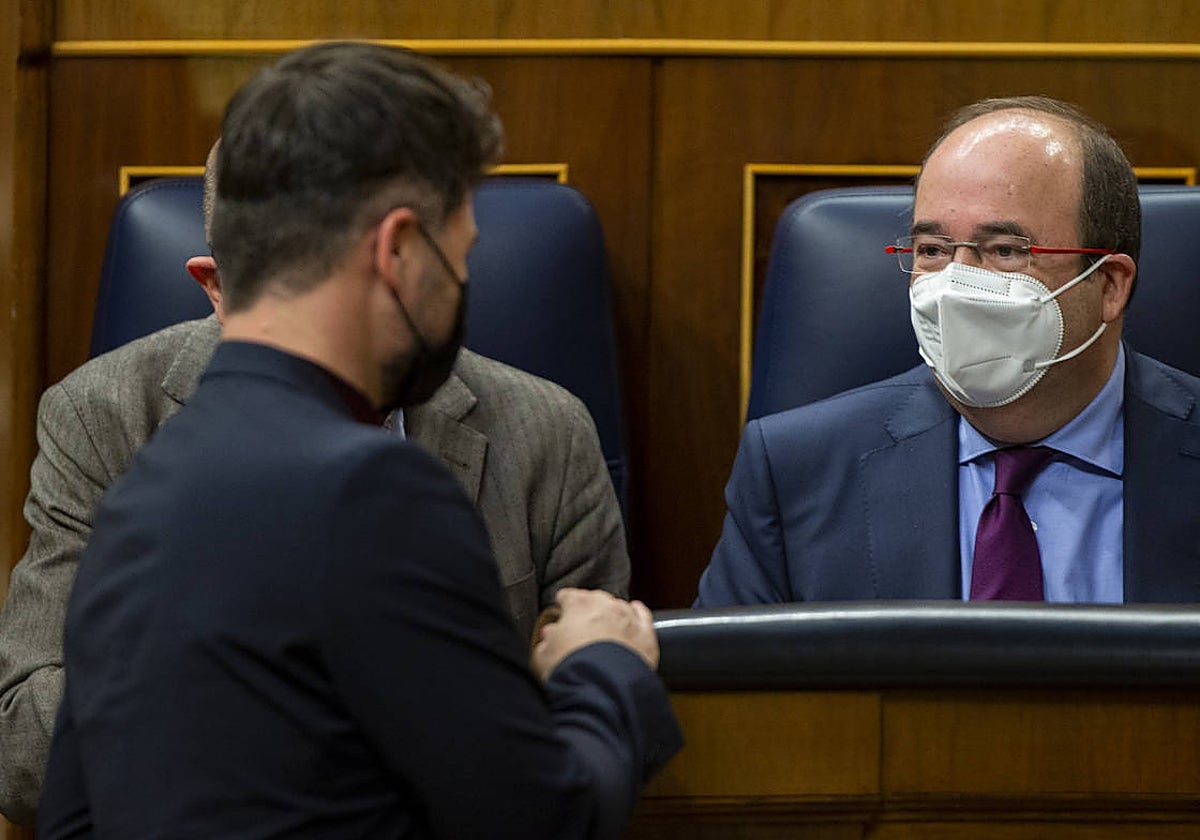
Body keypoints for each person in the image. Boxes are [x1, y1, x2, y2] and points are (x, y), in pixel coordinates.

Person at [33, 41, 680, 838]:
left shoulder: (149, 481)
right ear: (400, 250)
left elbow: (70, 820)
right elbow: (552, 821)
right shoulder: (378, 489)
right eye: (461, 256)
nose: (463, 290)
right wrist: (604, 666)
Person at [696, 95, 1200, 607]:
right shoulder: (795, 470)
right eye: (933, 251)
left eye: (1006, 250)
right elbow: (724, 684)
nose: (956, 286)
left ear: (1110, 284)